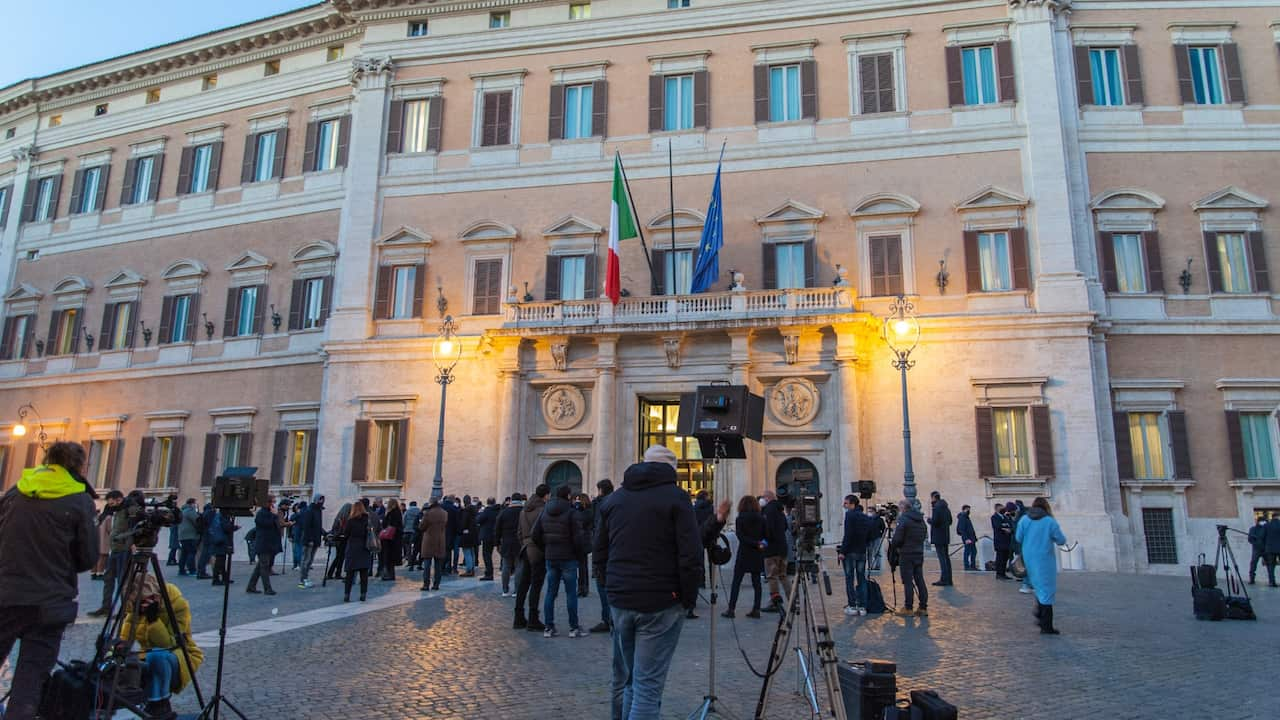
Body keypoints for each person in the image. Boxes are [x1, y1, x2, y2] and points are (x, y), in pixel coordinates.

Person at [595, 445, 701, 720]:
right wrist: (688, 599)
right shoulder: (677, 498)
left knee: (632, 681)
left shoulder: (615, 500)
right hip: (660, 601)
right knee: (647, 687)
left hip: (620, 600)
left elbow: (600, 550)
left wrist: (610, 588)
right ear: (672, 470)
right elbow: (690, 554)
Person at [0, 442, 98, 720]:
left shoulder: (17, 490)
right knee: (29, 681)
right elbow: (88, 558)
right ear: (79, 466)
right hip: (50, 601)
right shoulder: (80, 500)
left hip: (6, 594)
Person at [119, 574, 204, 719]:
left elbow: (169, 644)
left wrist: (153, 621)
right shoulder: (136, 607)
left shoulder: (177, 605)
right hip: (147, 655)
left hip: (179, 655)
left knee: (157, 655)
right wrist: (114, 649)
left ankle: (160, 705)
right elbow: (124, 640)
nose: (142, 605)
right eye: (138, 603)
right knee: (125, 661)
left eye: (144, 601)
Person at [533, 485, 589, 638]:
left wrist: (546, 549)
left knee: (550, 592)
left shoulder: (545, 511)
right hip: (568, 558)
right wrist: (579, 554)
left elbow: (535, 534)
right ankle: (573, 628)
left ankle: (548, 627)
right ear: (569, 496)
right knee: (571, 593)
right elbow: (578, 538)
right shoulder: (572, 513)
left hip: (551, 557)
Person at [1015, 497, 1068, 634]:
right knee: (1047, 589)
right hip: (1044, 559)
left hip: (1029, 558)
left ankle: (1040, 613)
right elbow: (1061, 540)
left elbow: (1018, 538)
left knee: (1038, 587)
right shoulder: (1049, 521)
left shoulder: (1025, 520)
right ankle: (1046, 625)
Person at [722, 494, 766, 619]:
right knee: (757, 583)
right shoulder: (761, 518)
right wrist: (760, 544)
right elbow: (767, 536)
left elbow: (740, 537)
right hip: (757, 553)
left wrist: (753, 543)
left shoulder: (740, 518)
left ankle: (731, 609)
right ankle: (756, 609)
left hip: (744, 553)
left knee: (736, 582)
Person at [836, 496, 880, 615]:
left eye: (846, 503)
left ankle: (852, 605)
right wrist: (865, 543)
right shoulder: (864, 517)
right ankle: (863, 606)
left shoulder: (850, 516)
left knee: (849, 578)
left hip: (850, 552)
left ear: (852, 504)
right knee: (861, 578)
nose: (844, 505)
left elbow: (848, 535)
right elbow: (872, 532)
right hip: (861, 552)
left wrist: (842, 552)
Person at [516, 484, 550, 631]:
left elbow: (519, 532)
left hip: (525, 549)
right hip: (538, 551)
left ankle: (518, 617)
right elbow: (544, 532)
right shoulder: (543, 511)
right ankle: (533, 619)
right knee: (536, 585)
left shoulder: (523, 511)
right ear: (546, 495)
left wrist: (525, 544)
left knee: (523, 584)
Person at [890, 499, 928, 617]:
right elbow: (924, 535)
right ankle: (923, 607)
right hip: (918, 552)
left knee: (907, 581)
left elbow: (897, 539)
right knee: (919, 580)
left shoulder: (904, 519)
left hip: (906, 554)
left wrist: (894, 546)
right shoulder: (921, 520)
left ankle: (908, 607)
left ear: (903, 508)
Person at [589, 479, 616, 633]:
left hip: (604, 552)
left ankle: (608, 619)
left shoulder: (601, 505)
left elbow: (599, 532)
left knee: (603, 587)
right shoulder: (618, 501)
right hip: (615, 550)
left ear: (600, 490)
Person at [246, 497, 285, 596]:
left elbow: (276, 526)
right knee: (264, 567)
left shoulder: (270, 514)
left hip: (270, 544)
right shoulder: (261, 514)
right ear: (267, 503)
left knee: (260, 567)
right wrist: (274, 515)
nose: (274, 505)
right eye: (272, 502)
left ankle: (251, 586)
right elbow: (266, 524)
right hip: (263, 544)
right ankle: (267, 588)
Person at [760, 490, 788, 612]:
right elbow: (785, 526)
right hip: (782, 547)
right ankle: (793, 599)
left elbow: (767, 529)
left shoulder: (768, 510)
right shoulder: (780, 510)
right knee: (783, 576)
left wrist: (764, 542)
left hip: (772, 549)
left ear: (767, 498)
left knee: (772, 576)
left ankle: (775, 601)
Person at [342, 501, 373, 602]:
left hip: (353, 547)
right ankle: (363, 594)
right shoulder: (367, 520)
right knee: (363, 573)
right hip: (364, 547)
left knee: (350, 573)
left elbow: (346, 534)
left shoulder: (351, 521)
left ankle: (347, 594)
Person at [495, 493, 524, 597]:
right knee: (519, 566)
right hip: (520, 542)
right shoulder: (523, 512)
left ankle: (505, 590)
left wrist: (497, 543)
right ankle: (517, 590)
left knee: (506, 566)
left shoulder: (504, 512)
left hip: (506, 542)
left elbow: (497, 528)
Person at [418, 497, 449, 591]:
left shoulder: (428, 513)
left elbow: (421, 527)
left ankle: (426, 584)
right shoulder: (444, 513)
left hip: (429, 540)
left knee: (427, 564)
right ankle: (436, 584)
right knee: (438, 565)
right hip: (440, 540)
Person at [295, 495, 325, 588]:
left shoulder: (318, 510)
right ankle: (302, 580)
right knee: (306, 560)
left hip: (315, 539)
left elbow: (318, 526)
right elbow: (307, 526)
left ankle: (305, 578)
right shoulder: (310, 510)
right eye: (320, 500)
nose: (322, 502)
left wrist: (325, 533)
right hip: (309, 540)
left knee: (310, 561)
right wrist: (309, 539)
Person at [928, 491, 953, 586]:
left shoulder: (936, 508)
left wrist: (929, 520)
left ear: (934, 497)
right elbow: (950, 521)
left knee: (942, 558)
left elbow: (935, 521)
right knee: (946, 558)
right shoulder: (946, 508)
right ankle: (949, 579)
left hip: (938, 536)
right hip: (945, 535)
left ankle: (944, 579)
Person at [207, 508, 238, 586]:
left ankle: (224, 578)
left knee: (221, 561)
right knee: (220, 562)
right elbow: (226, 528)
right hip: (222, 541)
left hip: (219, 541)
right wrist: (234, 527)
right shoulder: (223, 517)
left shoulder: (218, 516)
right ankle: (216, 579)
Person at [380, 498, 404, 580]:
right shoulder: (398, 512)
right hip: (395, 538)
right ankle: (391, 574)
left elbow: (386, 524)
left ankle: (389, 575)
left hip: (390, 538)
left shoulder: (391, 513)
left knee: (388, 557)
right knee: (391, 558)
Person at [476, 497, 499, 581]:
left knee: (486, 555)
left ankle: (489, 573)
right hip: (495, 535)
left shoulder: (487, 511)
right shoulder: (498, 510)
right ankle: (489, 572)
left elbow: (478, 520)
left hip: (487, 536)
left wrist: (479, 513)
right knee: (489, 554)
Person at [176, 498, 200, 576]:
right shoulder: (190, 511)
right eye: (195, 503)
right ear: (191, 503)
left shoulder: (182, 511)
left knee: (184, 553)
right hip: (190, 535)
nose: (195, 505)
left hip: (182, 536)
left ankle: (181, 570)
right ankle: (192, 570)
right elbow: (197, 521)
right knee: (192, 552)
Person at [991, 503, 1014, 580]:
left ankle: (1003, 573)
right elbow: (997, 526)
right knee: (1000, 558)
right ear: (997, 509)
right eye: (1001, 508)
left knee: (1005, 558)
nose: (1003, 509)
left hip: (1007, 541)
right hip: (1000, 541)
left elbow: (1010, 525)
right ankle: (999, 574)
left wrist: (1007, 527)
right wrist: (1004, 527)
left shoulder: (1005, 517)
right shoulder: (994, 517)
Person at [458, 495, 479, 577]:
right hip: (474, 533)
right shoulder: (474, 510)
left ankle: (469, 570)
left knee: (466, 552)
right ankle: (472, 569)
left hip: (467, 534)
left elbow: (463, 523)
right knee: (472, 551)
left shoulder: (466, 511)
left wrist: (461, 530)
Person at [442, 494, 460, 573]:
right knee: (452, 550)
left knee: (444, 550)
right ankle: (452, 567)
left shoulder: (441, 507)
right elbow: (457, 522)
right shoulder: (454, 509)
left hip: (442, 531)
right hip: (453, 533)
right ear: (452, 500)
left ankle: (444, 567)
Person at [956, 504, 978, 572]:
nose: (969, 511)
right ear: (964, 509)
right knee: (967, 552)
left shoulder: (966, 517)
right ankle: (967, 566)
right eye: (968, 509)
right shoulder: (963, 517)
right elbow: (962, 529)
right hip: (968, 538)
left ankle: (973, 565)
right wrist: (966, 539)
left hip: (971, 538)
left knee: (974, 551)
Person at [1247, 515, 1267, 584]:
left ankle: (1271, 580)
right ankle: (1251, 579)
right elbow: (1250, 539)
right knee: (1253, 564)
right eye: (1262, 521)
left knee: (1269, 564)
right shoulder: (1253, 529)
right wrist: (1256, 543)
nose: (1263, 523)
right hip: (1256, 549)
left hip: (1265, 549)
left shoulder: (1266, 528)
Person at [402, 501, 422, 570]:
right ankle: (418, 561)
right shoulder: (419, 511)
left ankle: (410, 561)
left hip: (407, 531)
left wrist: (404, 527)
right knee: (416, 547)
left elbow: (403, 521)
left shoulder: (407, 512)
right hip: (416, 532)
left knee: (408, 547)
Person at [1264, 511, 1280, 587]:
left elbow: (1262, 537)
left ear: (1272, 517)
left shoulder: (1267, 525)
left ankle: (1271, 582)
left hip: (1269, 548)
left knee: (1271, 566)